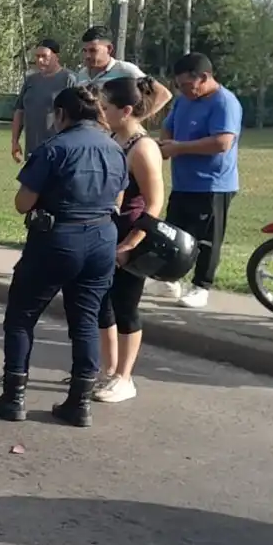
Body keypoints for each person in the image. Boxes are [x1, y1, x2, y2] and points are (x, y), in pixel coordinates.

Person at [0, 85, 127, 428]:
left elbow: (23, 202)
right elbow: (118, 201)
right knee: (86, 320)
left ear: (62, 114)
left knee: (22, 316)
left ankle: (13, 397)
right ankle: (79, 403)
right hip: (102, 239)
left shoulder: (55, 148)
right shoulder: (115, 148)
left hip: (58, 238)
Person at [92, 76, 167, 405]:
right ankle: (107, 371)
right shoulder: (113, 137)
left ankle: (125, 377)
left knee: (126, 308)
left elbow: (155, 204)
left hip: (130, 237)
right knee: (101, 307)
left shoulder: (143, 147)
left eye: (105, 107)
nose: (100, 111)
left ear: (125, 110)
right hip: (106, 234)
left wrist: (130, 245)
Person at [156, 52, 241, 310]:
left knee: (207, 240)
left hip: (213, 184)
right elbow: (168, 125)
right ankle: (170, 279)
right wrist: (167, 142)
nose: (183, 90)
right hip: (183, 182)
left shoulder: (225, 103)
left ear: (204, 78)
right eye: (179, 85)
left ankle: (202, 286)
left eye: (186, 85)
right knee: (173, 235)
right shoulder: (184, 101)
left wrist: (179, 148)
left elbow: (222, 142)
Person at [74, 25, 172, 116]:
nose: (87, 56)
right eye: (84, 51)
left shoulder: (126, 70)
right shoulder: (82, 74)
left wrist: (138, 119)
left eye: (93, 50)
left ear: (109, 49)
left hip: (116, 134)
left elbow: (163, 94)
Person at [10, 40, 74, 163]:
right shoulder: (31, 80)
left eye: (44, 56)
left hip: (59, 151)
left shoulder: (69, 80)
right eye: (37, 56)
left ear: (56, 57)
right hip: (33, 150)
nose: (39, 60)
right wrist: (15, 142)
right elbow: (20, 110)